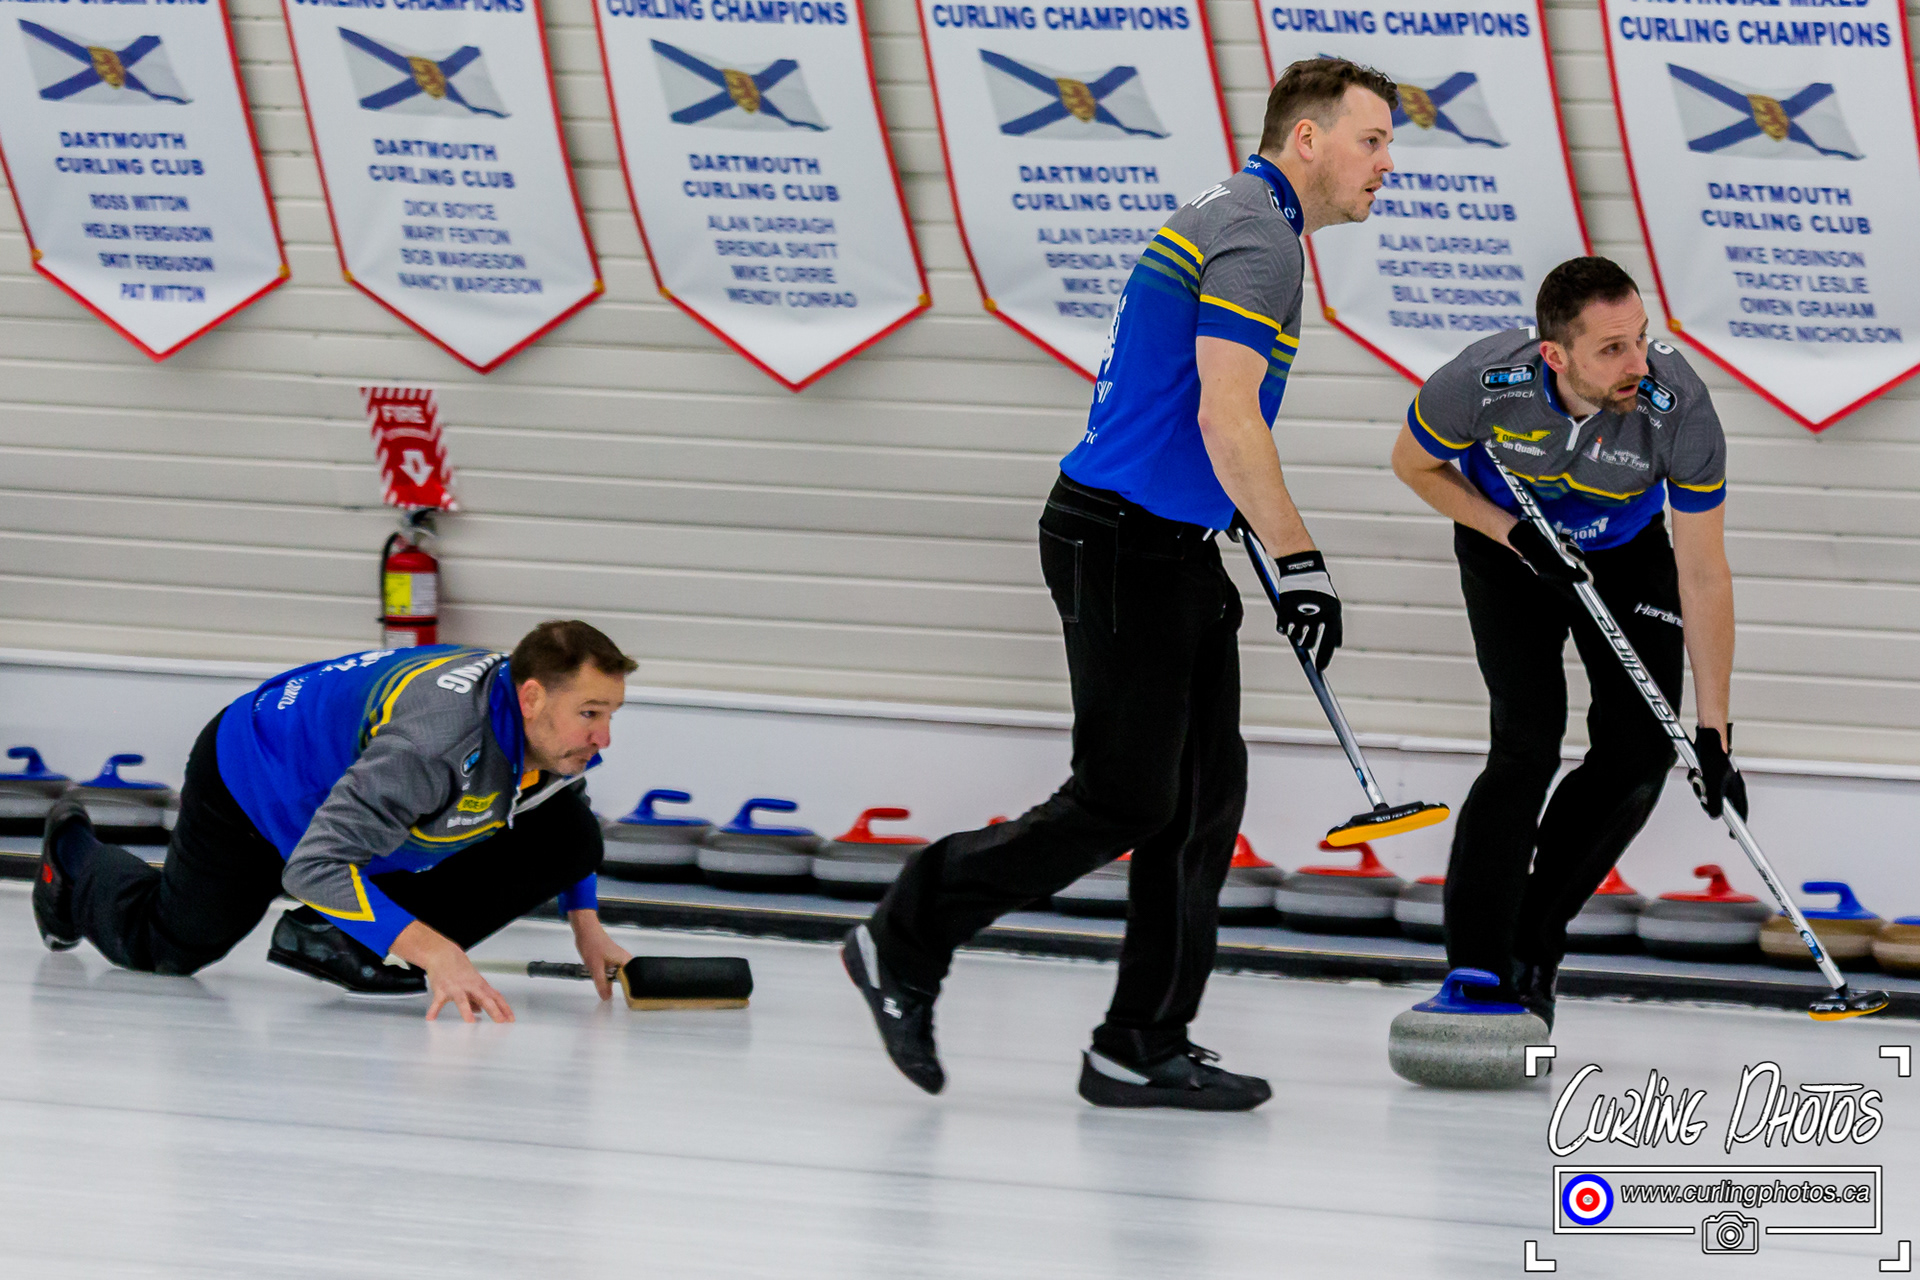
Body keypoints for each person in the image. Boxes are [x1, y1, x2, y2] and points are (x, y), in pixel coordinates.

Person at [843, 58, 1398, 1109]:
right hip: (1122, 542)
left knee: (1200, 800)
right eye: (1371, 141)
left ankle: (1140, 1040)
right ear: (1308, 138)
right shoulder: (1259, 238)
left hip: (1167, 541)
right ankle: (904, 933)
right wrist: (1301, 562)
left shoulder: (1239, 218)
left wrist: (1251, 533)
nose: (1386, 165)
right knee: (1125, 798)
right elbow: (1226, 416)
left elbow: (1193, 410)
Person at [1391, 256, 1745, 1031]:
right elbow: (1413, 463)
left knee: (1641, 753)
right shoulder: (1484, 380)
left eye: (1641, 338)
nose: (1637, 362)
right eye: (1612, 348)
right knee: (1525, 743)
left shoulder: (1678, 405)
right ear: (1555, 354)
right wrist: (1512, 534)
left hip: (1624, 551)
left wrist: (1715, 731)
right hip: (1509, 547)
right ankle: (1478, 962)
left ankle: (1533, 938)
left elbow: (1703, 572)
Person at [32, 619, 639, 1023]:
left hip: (349, 793)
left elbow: (561, 813)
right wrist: (437, 951)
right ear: (530, 697)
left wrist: (585, 926)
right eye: (590, 713)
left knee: (570, 833)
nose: (603, 737)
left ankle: (340, 935)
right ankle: (72, 857)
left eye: (610, 713)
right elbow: (312, 869)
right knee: (168, 946)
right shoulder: (433, 747)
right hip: (255, 781)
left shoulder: (546, 730)